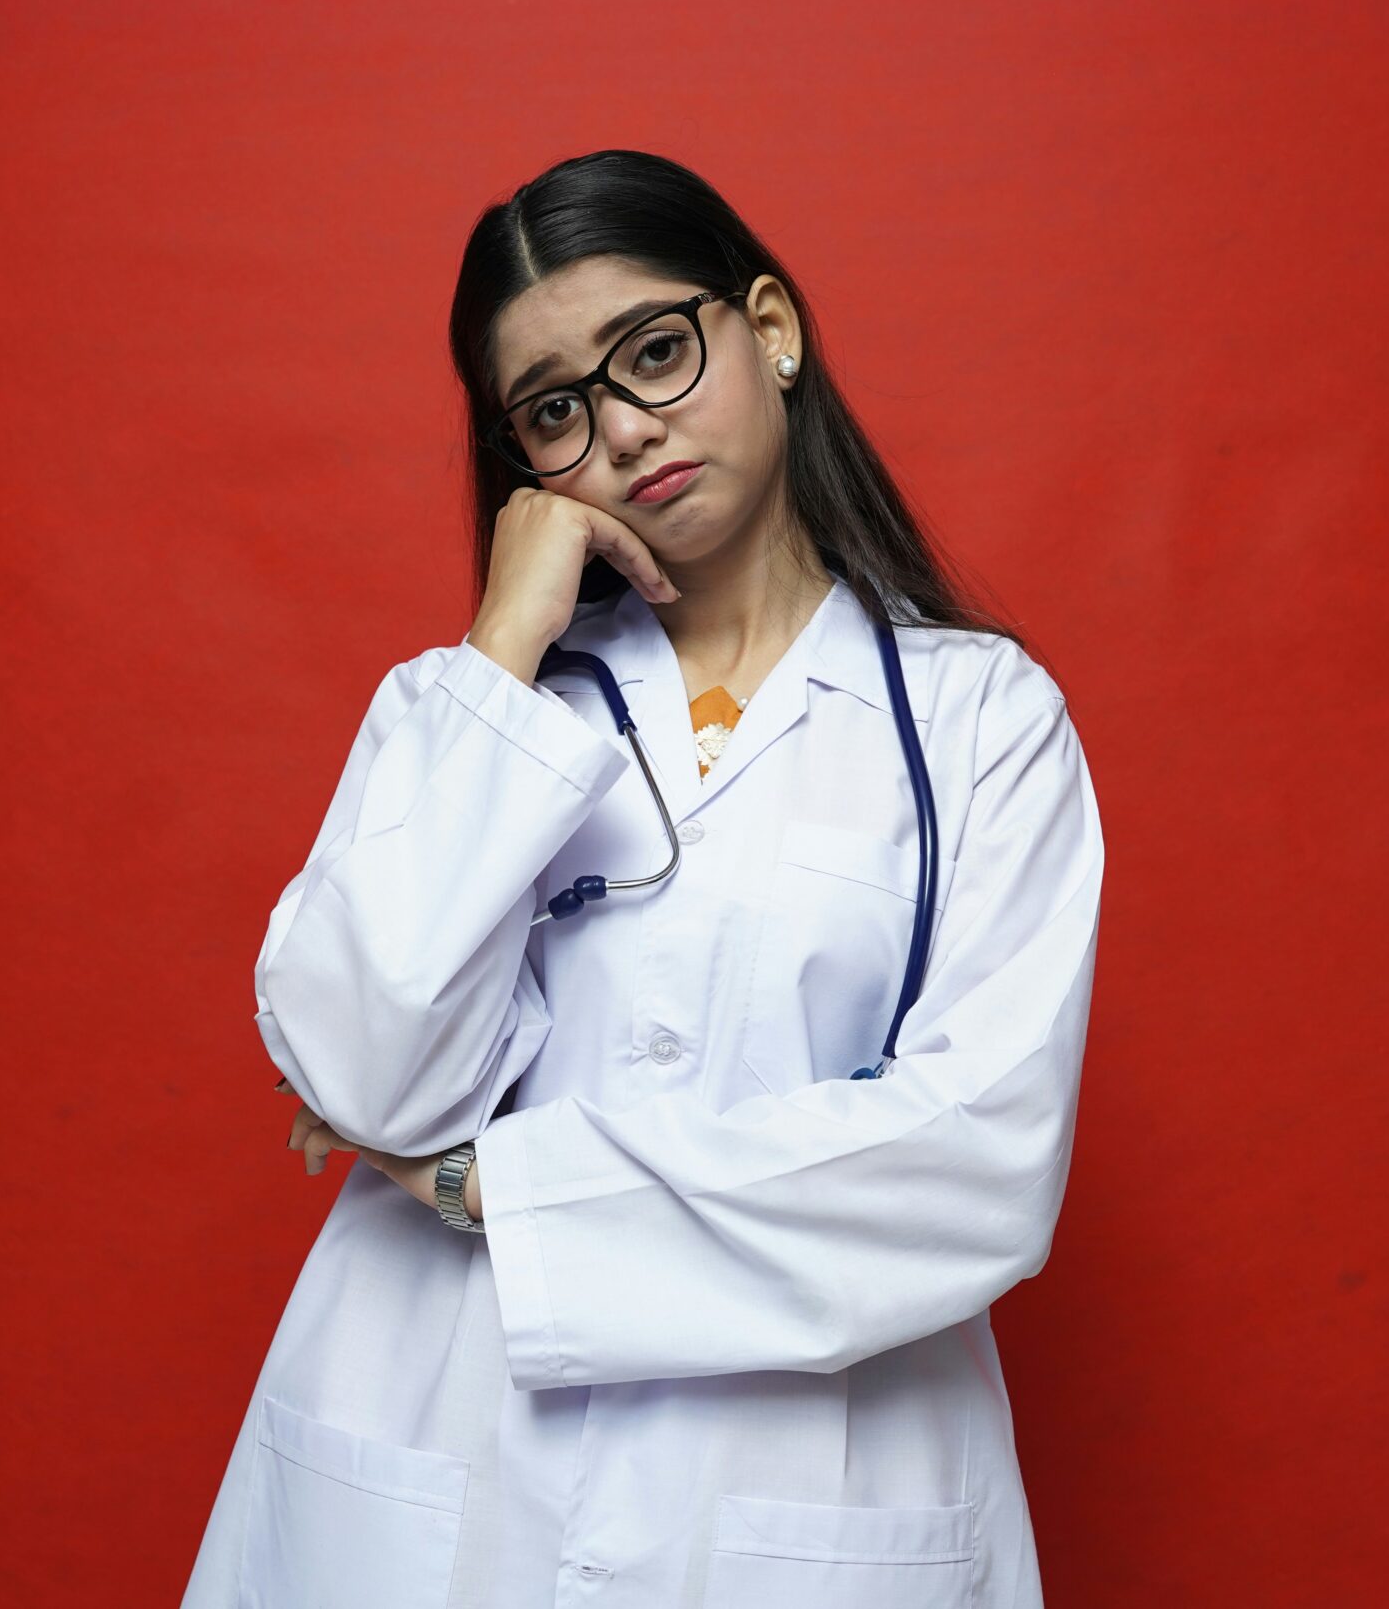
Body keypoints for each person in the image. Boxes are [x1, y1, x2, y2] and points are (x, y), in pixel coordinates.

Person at [180, 149, 1106, 1609]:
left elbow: (974, 1171)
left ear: (773, 330)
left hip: (806, 1494)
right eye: (556, 408)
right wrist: (500, 643)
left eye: (656, 354)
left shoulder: (980, 723)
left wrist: (494, 1186)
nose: (620, 430)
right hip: (434, 1443)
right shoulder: (480, 712)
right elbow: (362, 1070)